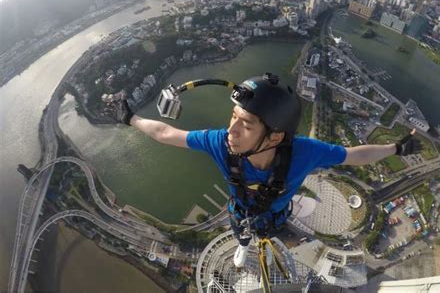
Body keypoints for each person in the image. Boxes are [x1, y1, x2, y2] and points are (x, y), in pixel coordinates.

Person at [112, 72, 421, 268]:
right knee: (242, 234)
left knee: (268, 231)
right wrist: (130, 119)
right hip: (240, 210)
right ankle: (243, 248)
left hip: (275, 215)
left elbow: (353, 155)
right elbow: (167, 134)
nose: (231, 130)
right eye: (232, 117)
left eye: (245, 125)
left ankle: (251, 243)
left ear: (274, 136)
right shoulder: (220, 142)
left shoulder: (304, 152)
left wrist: (397, 148)